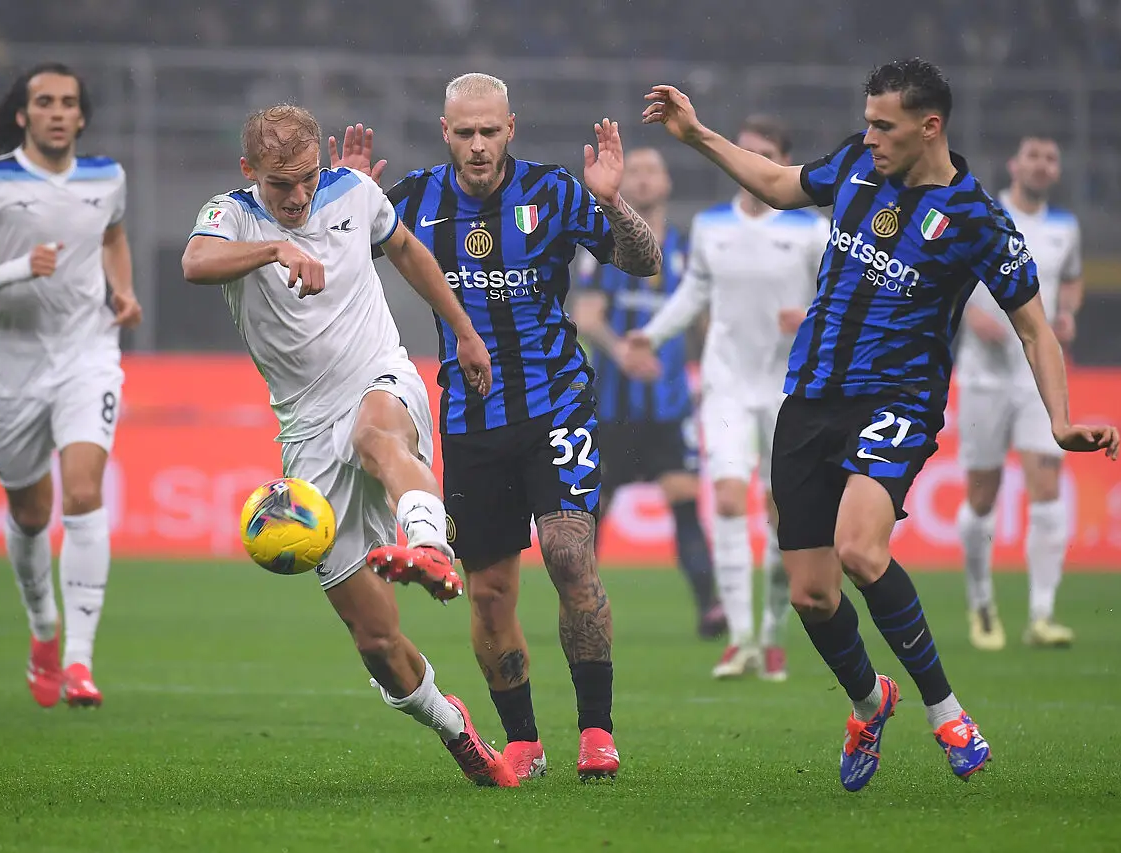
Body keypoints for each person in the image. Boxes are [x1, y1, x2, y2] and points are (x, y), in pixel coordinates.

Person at [642, 58, 1119, 791]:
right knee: (811, 593)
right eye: (866, 122)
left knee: (860, 551)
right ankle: (871, 702)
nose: (869, 137)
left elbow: (1034, 328)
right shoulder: (858, 169)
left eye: (883, 125)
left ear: (931, 127)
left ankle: (948, 711)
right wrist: (697, 133)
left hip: (896, 401)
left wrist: (1059, 420)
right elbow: (778, 184)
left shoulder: (977, 219)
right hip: (809, 397)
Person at [333, 72, 663, 781]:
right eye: (465, 132)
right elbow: (331, 271)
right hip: (470, 417)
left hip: (557, 401)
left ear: (511, 127)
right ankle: (524, 740)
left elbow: (645, 261)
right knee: (487, 591)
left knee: (570, 556)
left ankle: (597, 730)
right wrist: (342, 201)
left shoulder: (553, 193)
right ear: (444, 131)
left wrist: (612, 202)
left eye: (490, 131)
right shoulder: (415, 200)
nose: (478, 145)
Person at [180, 104, 517, 788]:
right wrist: (278, 246)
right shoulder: (232, 216)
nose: (299, 195)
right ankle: (452, 724)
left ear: (323, 167)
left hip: (378, 375)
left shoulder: (354, 192)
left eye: (308, 178)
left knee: (377, 434)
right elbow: (195, 262)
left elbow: (411, 254)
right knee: (377, 640)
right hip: (306, 435)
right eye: (281, 184)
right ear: (249, 173)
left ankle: (427, 544)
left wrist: (466, 334)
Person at [0, 63, 143, 709]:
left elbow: (112, 236)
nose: (57, 112)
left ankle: (80, 661)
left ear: (81, 117)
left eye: (69, 103)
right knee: (29, 513)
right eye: (45, 102)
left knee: (83, 492)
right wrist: (21, 268)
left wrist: (124, 288)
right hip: (10, 365)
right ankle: (44, 629)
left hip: (88, 354)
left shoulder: (106, 177)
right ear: (24, 116)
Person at [624, 117, 826, 682]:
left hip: (791, 390)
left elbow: (842, 304)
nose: (753, 164)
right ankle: (741, 642)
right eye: (748, 153)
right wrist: (655, 333)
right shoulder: (712, 228)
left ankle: (772, 634)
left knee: (783, 516)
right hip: (727, 386)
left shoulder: (813, 232)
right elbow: (695, 291)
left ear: (783, 165)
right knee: (732, 502)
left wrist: (809, 316)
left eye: (765, 155)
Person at [571, 146, 724, 642]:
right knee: (594, 508)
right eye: (632, 171)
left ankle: (710, 608)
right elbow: (588, 317)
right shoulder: (604, 251)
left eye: (650, 171)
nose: (640, 180)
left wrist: (711, 380)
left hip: (668, 407)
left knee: (683, 498)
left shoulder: (687, 251)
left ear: (666, 185)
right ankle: (580, 605)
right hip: (613, 409)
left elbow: (706, 327)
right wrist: (623, 354)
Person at [955, 133, 1083, 651]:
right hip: (983, 375)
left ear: (1056, 170)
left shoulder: (1064, 228)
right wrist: (971, 315)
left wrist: (1069, 312)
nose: (1042, 165)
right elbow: (947, 275)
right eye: (1034, 155)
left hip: (1038, 376)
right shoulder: (984, 214)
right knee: (982, 495)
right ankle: (982, 603)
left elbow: (1070, 279)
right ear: (1014, 163)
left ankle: (1042, 614)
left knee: (1046, 486)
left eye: (1051, 157)